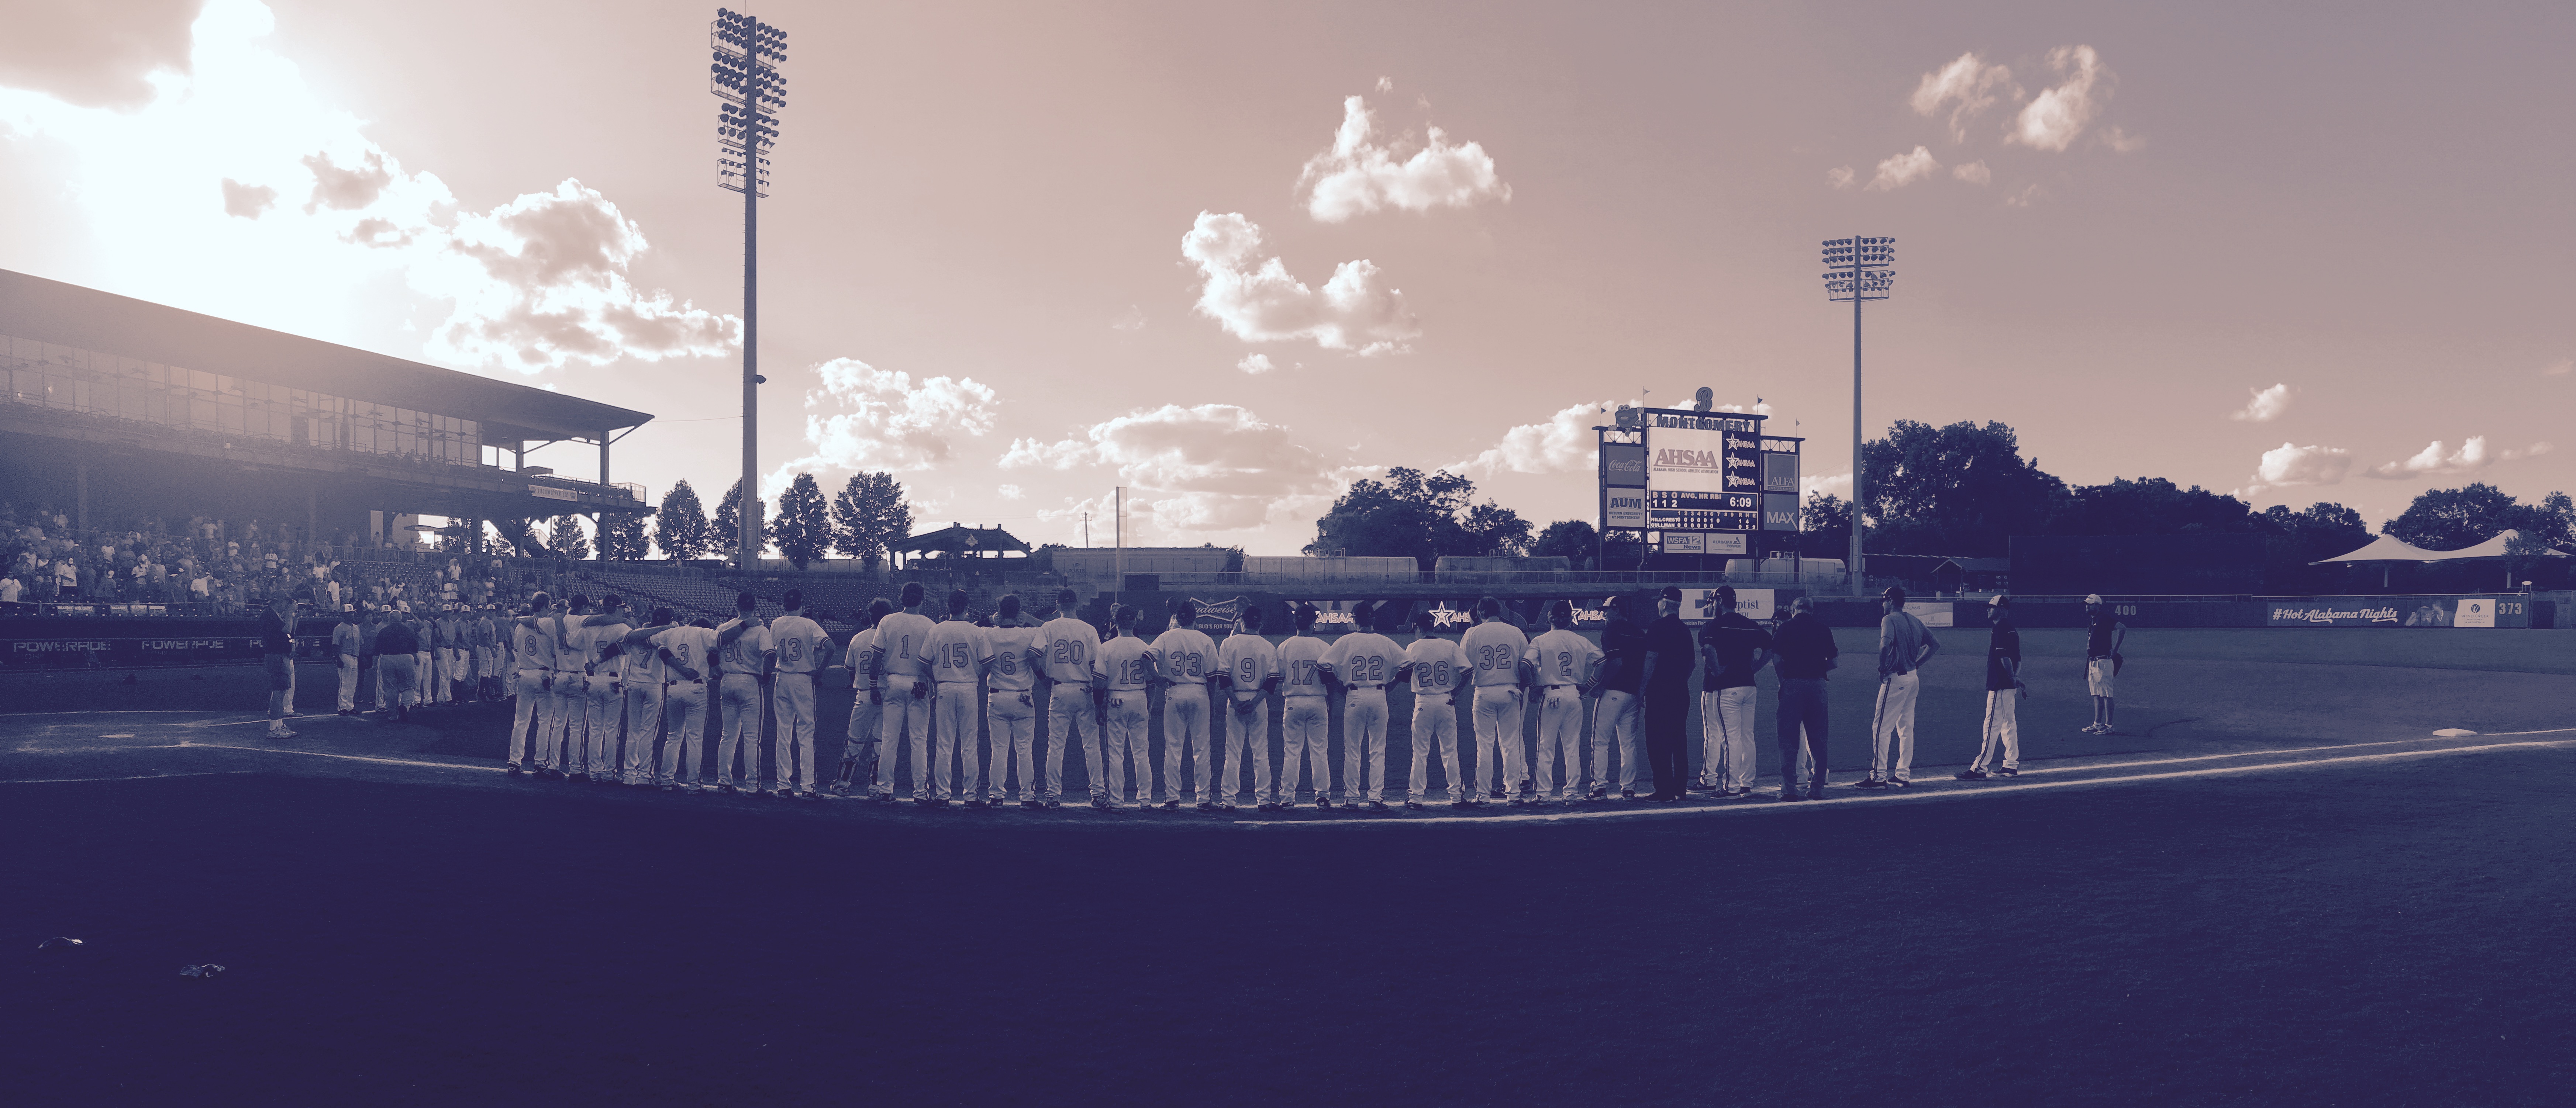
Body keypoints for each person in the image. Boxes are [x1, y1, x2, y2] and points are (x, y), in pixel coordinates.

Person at [1319, 602, 1403, 812]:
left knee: (1353, 750)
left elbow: (1322, 665)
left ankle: (1352, 798)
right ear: (1373, 619)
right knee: (1378, 750)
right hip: (1379, 696)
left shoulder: (1346, 641)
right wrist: (1391, 684)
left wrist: (1338, 687)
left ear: (1354, 619)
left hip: (1355, 696)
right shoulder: (1385, 642)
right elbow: (1408, 664)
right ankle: (1375, 798)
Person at [1857, 586, 1939, 791]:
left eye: (1884, 600)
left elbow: (1885, 645)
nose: (1883, 604)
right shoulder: (1914, 620)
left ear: (1892, 601)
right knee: (1906, 727)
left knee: (1881, 728)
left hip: (1896, 678)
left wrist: (1882, 668)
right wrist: (1918, 663)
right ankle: (1903, 774)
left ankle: (1878, 777)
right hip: (1913, 678)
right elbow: (1935, 644)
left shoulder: (1889, 620)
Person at [1524, 600, 1603, 805]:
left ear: (1550, 617)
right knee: (1572, 747)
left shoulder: (1540, 641)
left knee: (1545, 747)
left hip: (1551, 695)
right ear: (1570, 619)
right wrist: (1589, 685)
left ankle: (1543, 794)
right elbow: (1602, 662)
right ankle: (1571, 794)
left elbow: (1525, 665)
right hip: (1574, 695)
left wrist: (1533, 688)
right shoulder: (1580, 640)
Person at [1697, 585, 1773, 797]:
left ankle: (1730, 787)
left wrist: (1717, 669)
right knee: (1747, 736)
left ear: (1719, 601)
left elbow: (1709, 649)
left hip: (1727, 686)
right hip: (1749, 686)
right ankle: (1746, 783)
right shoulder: (1748, 624)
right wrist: (1755, 668)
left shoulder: (1716, 625)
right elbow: (1770, 646)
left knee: (1729, 738)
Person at [1035, 589, 1107, 810]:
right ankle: (1098, 795)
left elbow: (1033, 654)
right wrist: (1099, 701)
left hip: (1059, 689)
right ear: (1076, 605)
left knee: (1056, 746)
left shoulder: (1048, 627)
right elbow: (1097, 668)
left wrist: (1044, 679)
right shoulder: (1089, 630)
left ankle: (1053, 796)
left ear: (1058, 606)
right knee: (1092, 746)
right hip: (1085, 689)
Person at [1460, 596, 1534, 803]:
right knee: (1511, 745)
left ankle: (1483, 796)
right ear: (1499, 611)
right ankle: (1514, 794)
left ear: (1481, 613)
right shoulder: (1516, 631)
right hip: (1511, 691)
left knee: (1484, 746)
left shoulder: (1472, 633)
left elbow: (1465, 666)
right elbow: (1525, 665)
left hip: (1484, 692)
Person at [920, 589, 989, 807]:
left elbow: (924, 663)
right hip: (968, 687)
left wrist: (938, 679)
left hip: (945, 688)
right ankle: (971, 796)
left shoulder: (936, 630)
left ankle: (943, 795)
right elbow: (988, 662)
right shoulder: (976, 632)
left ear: (948, 607)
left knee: (944, 744)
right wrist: (976, 675)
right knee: (970, 745)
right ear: (967, 608)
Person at [869, 582, 938, 801]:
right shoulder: (929, 625)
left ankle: (885, 789)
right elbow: (931, 662)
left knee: (889, 739)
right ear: (922, 599)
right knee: (919, 740)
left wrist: (872, 686)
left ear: (902, 598)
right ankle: (920, 792)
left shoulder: (887, 621)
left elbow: (876, 658)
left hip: (893, 682)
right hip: (918, 683)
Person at [1397, 608, 1471, 809]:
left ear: (1419, 629)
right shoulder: (1450, 645)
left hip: (1423, 703)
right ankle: (1457, 797)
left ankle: (1416, 799)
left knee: (1420, 753)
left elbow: (1402, 674)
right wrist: (1455, 692)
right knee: (1450, 751)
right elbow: (1467, 671)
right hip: (1446, 701)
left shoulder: (1413, 647)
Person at [1151, 600, 1219, 811]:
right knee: (1202, 748)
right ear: (1195, 618)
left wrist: (1158, 678)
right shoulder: (1206, 640)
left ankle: (1172, 799)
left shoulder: (1166, 637)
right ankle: (1204, 800)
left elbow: (1146, 657)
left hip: (1175, 691)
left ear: (1177, 618)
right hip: (1200, 692)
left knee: (1173, 748)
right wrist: (1212, 703)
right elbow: (1212, 677)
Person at [981, 594, 1047, 808]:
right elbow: (1050, 628)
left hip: (997, 695)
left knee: (998, 749)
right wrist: (1027, 618)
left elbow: (970, 627)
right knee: (1024, 749)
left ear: (1000, 612)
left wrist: (993, 620)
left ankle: (996, 796)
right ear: (1019, 612)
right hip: (1023, 696)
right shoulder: (1030, 633)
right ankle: (1027, 796)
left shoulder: (988, 633)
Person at [1211, 605, 1279, 813]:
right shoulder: (1268, 646)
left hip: (1236, 700)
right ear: (1260, 623)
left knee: (1232, 752)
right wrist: (1255, 702)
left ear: (1242, 622)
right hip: (1259, 702)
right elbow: (1272, 681)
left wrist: (1235, 701)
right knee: (1261, 752)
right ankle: (1264, 800)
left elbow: (1222, 677)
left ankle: (1229, 801)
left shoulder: (1228, 643)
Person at [1770, 595, 1837, 801]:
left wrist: (1783, 680)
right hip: (1818, 685)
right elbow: (1834, 662)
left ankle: (1790, 788)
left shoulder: (1785, 629)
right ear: (1812, 610)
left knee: (1788, 739)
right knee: (1818, 739)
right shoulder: (1823, 629)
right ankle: (1817, 788)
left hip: (1792, 684)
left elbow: (1777, 659)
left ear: (1793, 610)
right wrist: (1817, 668)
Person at [768, 591, 832, 800]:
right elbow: (829, 647)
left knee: (783, 733)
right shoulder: (808, 624)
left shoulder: (776, 623)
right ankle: (808, 787)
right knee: (806, 734)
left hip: (782, 678)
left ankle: (784, 786)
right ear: (801, 605)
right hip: (803, 679)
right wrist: (820, 671)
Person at [1092, 604, 1156, 809]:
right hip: (1139, 698)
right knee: (1141, 752)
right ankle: (1145, 800)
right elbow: (1152, 683)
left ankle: (1117, 801)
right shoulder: (1145, 647)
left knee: (1115, 754)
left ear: (1115, 623)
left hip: (1116, 700)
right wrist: (1149, 705)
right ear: (1135, 622)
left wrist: (1098, 707)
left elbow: (1100, 683)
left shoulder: (1107, 647)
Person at [1271, 603, 1334, 810]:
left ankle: (1287, 797)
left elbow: (1280, 677)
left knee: (1292, 751)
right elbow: (1330, 681)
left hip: (1293, 702)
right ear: (1314, 622)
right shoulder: (1323, 646)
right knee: (1319, 751)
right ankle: (1323, 796)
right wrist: (1329, 708)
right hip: (1317, 701)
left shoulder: (1285, 646)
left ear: (1295, 621)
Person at [713, 592, 775, 796]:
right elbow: (770, 655)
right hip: (749, 680)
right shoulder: (759, 629)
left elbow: (712, 654)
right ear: (754, 607)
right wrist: (766, 677)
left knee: (728, 735)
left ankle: (724, 782)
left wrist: (720, 673)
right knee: (751, 737)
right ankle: (753, 785)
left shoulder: (724, 627)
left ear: (736, 606)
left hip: (728, 680)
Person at [1959, 593, 2025, 780]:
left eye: (1992, 607)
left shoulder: (2001, 629)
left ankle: (1979, 768)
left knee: (1991, 726)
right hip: (2009, 686)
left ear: (2002, 609)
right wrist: (2016, 677)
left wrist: (2011, 677)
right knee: (2008, 725)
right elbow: (2018, 659)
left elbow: (2004, 657)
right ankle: (2011, 765)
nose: (1988, 609)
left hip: (2000, 685)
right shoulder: (2012, 629)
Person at [832, 600, 892, 796]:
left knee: (855, 740)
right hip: (887, 695)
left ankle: (843, 783)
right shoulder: (892, 639)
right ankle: (876, 786)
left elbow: (850, 670)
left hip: (865, 693)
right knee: (881, 742)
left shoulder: (858, 638)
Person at [1589, 595, 1646, 801]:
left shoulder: (1611, 630)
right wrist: (1641, 691)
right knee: (1629, 743)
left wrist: (1600, 686)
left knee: (1600, 741)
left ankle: (1599, 789)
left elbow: (1616, 662)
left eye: (1606, 611)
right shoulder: (1640, 633)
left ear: (1616, 610)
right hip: (1633, 694)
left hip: (1613, 692)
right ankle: (1629, 788)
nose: (1603, 615)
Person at [655, 614, 720, 792]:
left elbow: (662, 651)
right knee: (695, 739)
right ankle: (693, 785)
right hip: (696, 688)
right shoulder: (703, 634)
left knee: (673, 736)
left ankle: (666, 781)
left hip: (674, 688)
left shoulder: (673, 632)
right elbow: (715, 663)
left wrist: (681, 669)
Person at [615, 607, 678, 787]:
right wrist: (668, 627)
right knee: (648, 733)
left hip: (635, 683)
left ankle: (629, 774)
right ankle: (644, 776)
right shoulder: (666, 634)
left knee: (632, 731)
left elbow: (628, 639)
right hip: (655, 684)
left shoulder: (636, 634)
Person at [504, 594, 558, 776]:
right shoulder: (550, 624)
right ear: (543, 607)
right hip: (544, 675)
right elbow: (555, 652)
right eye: (548, 606)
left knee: (521, 721)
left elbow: (517, 648)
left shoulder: (521, 626)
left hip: (525, 674)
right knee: (545, 722)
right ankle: (540, 763)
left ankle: (514, 762)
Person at [2083, 593, 2127, 734]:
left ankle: (2109, 726)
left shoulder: (2103, 618)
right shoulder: (2094, 620)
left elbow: (2122, 628)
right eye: (2087, 604)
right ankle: (2098, 724)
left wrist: (2116, 649)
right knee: (2096, 694)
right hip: (2093, 662)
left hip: (2103, 661)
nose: (2087, 606)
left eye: (2090, 604)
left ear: (2098, 606)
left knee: (2107, 695)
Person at [259, 593, 298, 739]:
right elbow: (287, 630)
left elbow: (290, 633)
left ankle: (279, 725)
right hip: (276, 656)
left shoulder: (273, 614)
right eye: (285, 602)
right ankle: (274, 727)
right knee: (279, 691)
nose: (286, 605)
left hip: (279, 655)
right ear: (278, 601)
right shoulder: (269, 614)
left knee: (281, 691)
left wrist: (295, 617)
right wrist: (289, 614)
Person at [373, 608, 420, 725]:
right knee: (409, 686)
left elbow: (376, 650)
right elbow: (416, 648)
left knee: (390, 688)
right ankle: (405, 705)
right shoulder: (408, 631)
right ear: (400, 619)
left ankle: (393, 715)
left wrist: (375, 663)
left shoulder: (384, 631)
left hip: (388, 658)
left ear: (390, 619)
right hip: (406, 658)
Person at [332, 610, 363, 716]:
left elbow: (360, 643)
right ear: (344, 615)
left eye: (353, 613)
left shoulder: (356, 628)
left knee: (353, 684)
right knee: (345, 683)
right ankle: (342, 707)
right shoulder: (339, 628)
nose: (352, 615)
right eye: (349, 613)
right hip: (344, 656)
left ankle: (350, 706)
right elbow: (335, 645)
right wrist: (338, 659)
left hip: (355, 657)